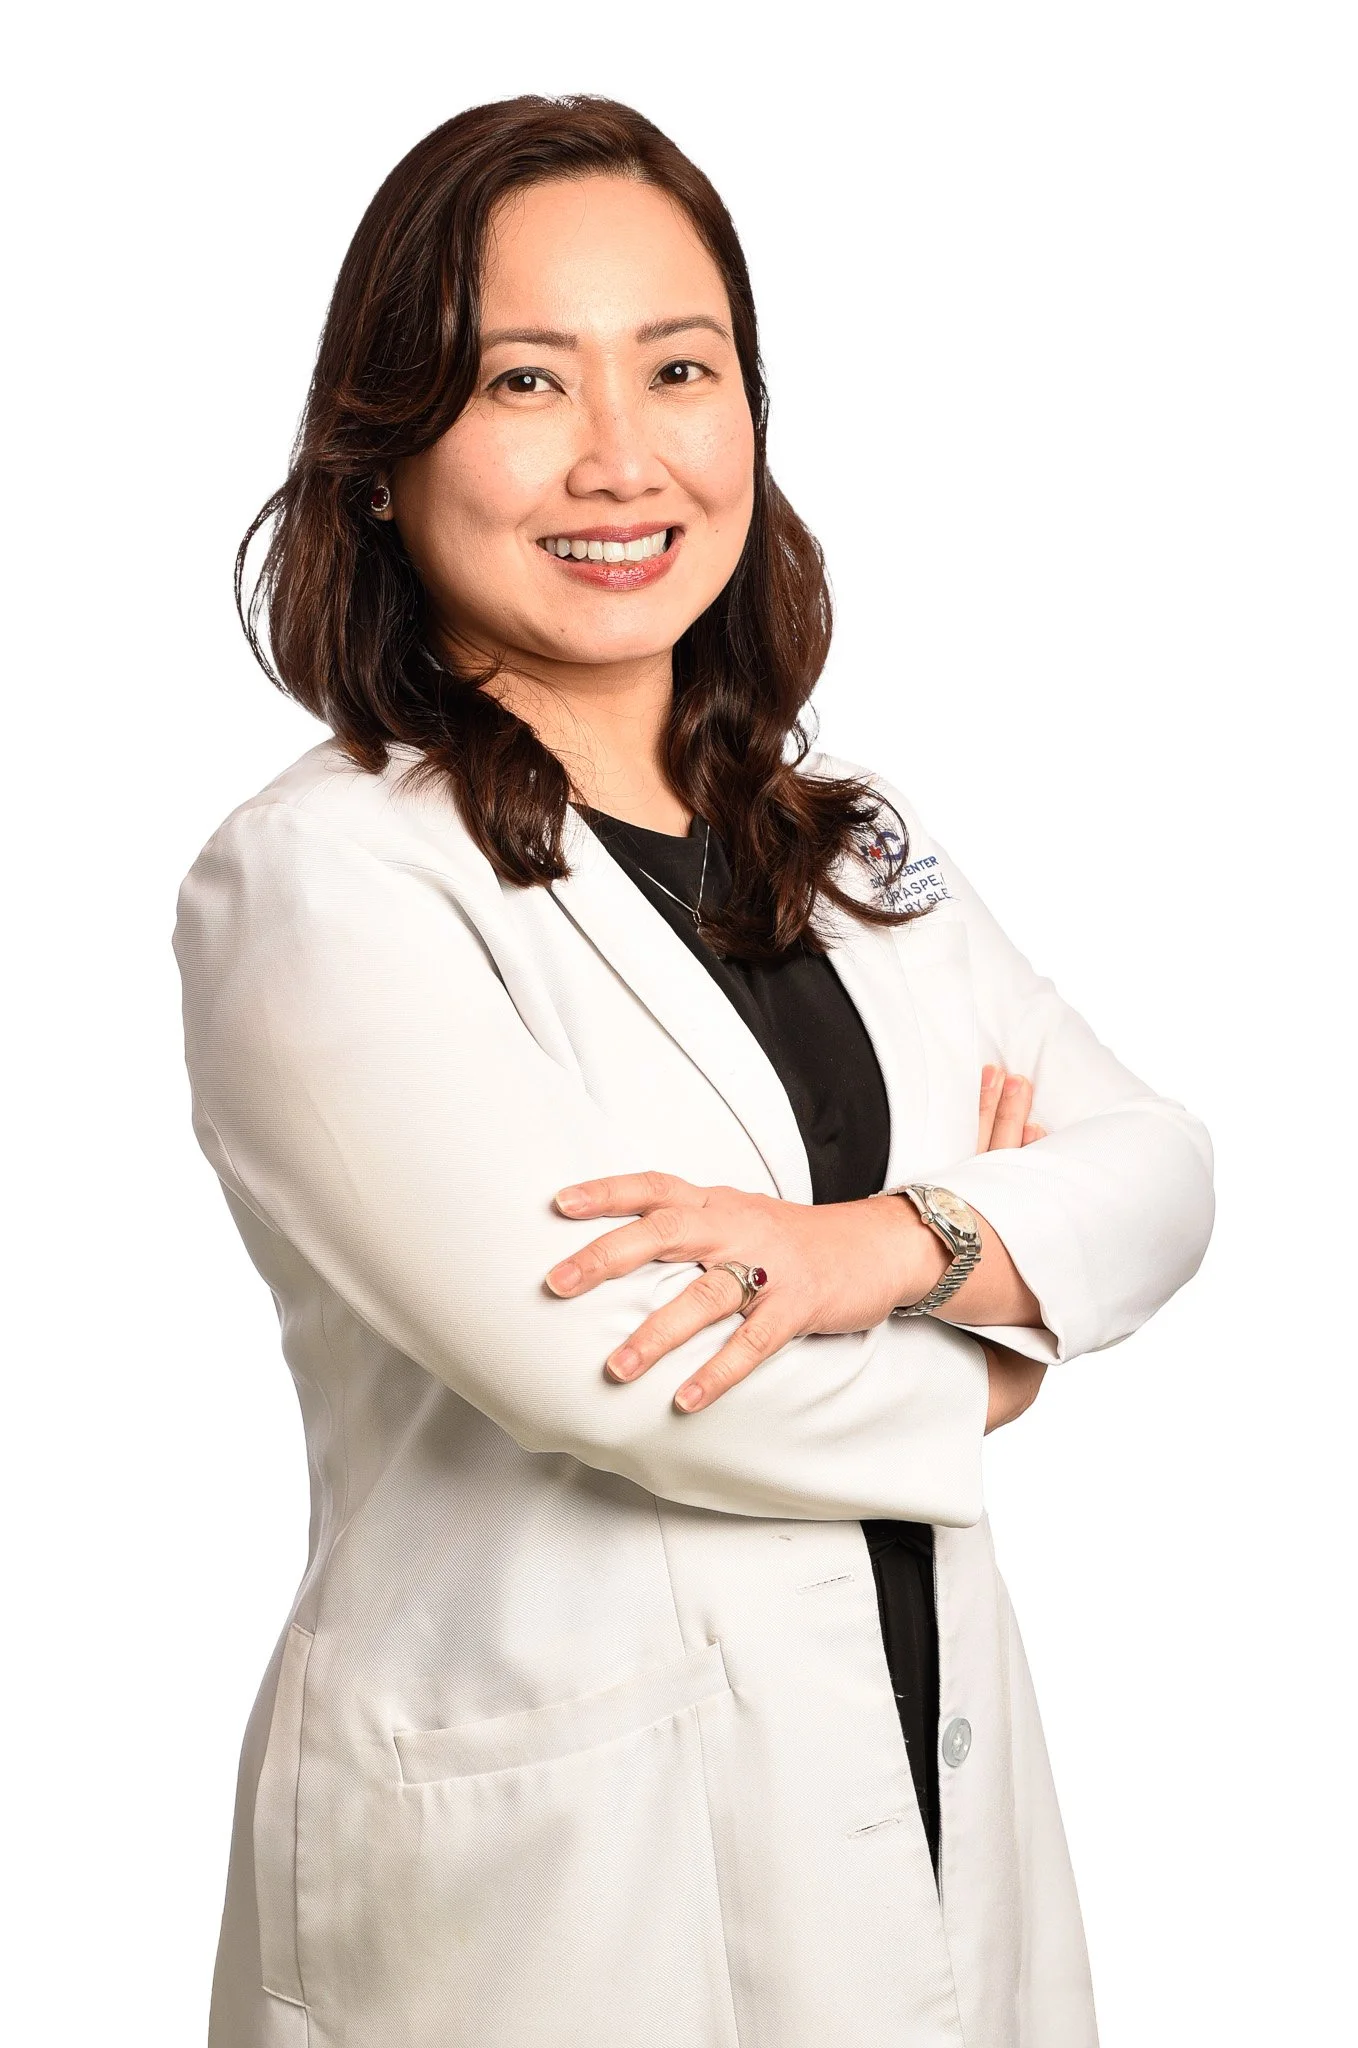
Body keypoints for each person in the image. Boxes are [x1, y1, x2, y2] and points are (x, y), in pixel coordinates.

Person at [173, 95, 1215, 2048]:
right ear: (383, 460)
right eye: (522, 380)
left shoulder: (841, 839)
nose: (619, 456)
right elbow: (620, 1365)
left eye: (678, 368)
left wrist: (874, 1249)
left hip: (919, 1766)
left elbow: (1156, 1169)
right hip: (557, 1882)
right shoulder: (322, 882)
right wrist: (999, 1338)